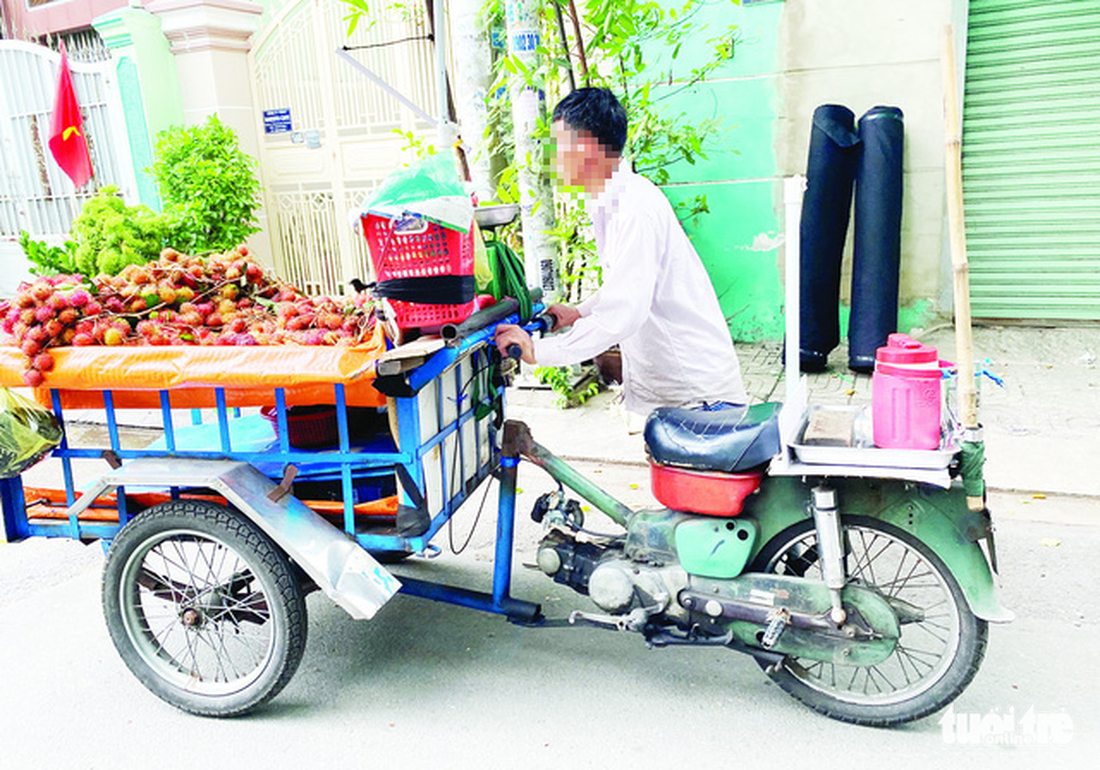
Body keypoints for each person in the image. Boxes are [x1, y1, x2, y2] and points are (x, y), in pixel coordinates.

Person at [494, 87, 747, 416]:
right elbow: (628, 284)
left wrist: (538, 351)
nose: (551, 158)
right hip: (679, 395)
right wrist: (580, 312)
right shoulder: (613, 201)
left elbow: (622, 315)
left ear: (586, 147)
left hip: (698, 399)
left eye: (557, 146)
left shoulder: (633, 208)